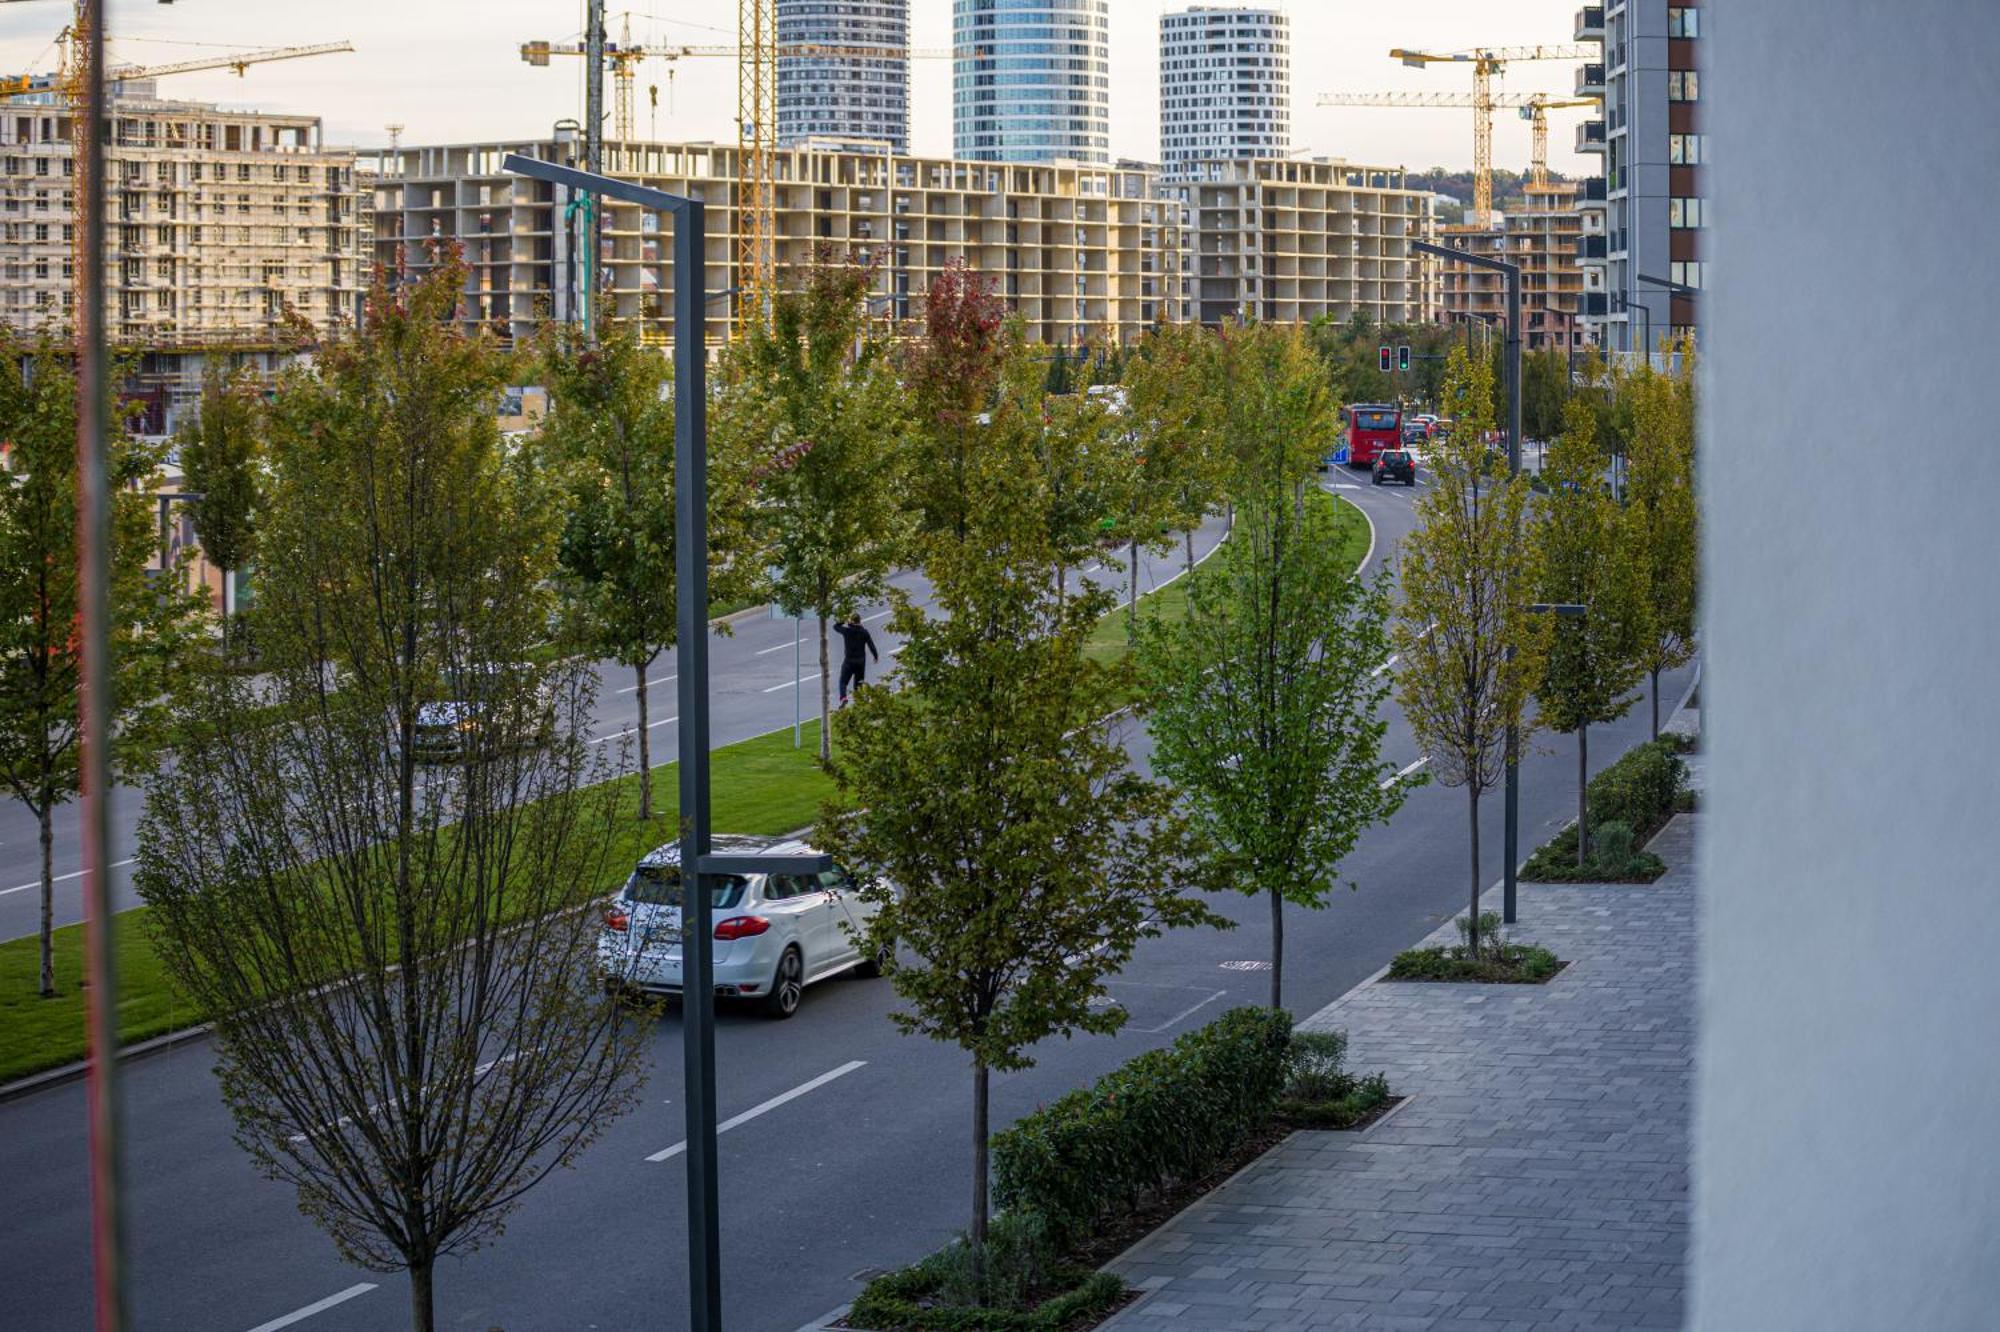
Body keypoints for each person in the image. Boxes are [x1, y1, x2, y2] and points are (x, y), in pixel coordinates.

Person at [834, 613, 879, 705]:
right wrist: (875, 656)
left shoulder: (847, 631)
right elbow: (871, 645)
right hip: (860, 662)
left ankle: (843, 698)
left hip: (849, 661)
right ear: (859, 621)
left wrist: (844, 621)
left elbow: (835, 626)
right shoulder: (864, 632)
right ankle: (859, 702)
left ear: (851, 621)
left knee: (843, 682)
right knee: (858, 684)